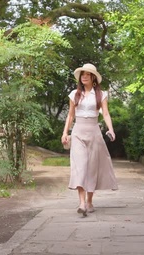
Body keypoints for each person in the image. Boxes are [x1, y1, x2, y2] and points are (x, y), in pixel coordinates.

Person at [61, 63, 118, 216]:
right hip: (78, 132)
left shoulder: (101, 95)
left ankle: (89, 201)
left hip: (94, 132)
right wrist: (65, 132)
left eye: (87, 74)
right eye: (82, 74)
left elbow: (105, 114)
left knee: (92, 168)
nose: (84, 76)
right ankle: (81, 203)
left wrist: (111, 129)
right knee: (80, 166)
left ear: (93, 77)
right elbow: (70, 115)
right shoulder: (74, 94)